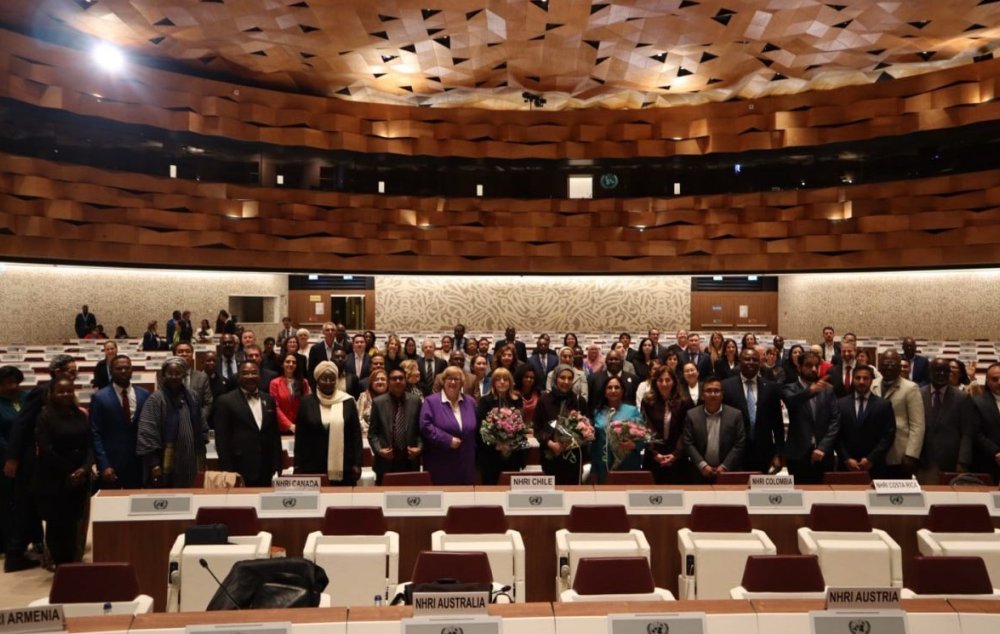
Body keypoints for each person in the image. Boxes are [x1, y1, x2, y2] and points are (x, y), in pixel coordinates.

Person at [4, 355, 77, 572]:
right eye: (70, 370)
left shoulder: (66, 393)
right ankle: (15, 554)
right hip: (33, 460)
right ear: (57, 372)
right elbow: (21, 424)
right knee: (27, 506)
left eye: (75, 371)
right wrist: (13, 457)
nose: (74, 374)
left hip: (53, 460)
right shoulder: (42, 391)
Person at [33, 377, 92, 568]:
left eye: (69, 391)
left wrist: (83, 469)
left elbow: (89, 445)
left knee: (74, 523)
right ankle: (59, 564)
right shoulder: (44, 416)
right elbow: (46, 449)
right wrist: (70, 471)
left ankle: (71, 564)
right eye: (61, 391)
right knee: (57, 524)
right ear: (52, 393)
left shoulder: (80, 414)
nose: (65, 394)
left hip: (79, 478)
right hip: (55, 478)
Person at [136, 357, 208, 488]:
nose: (174, 377)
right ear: (163, 376)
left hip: (191, 458)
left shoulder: (193, 396)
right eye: (170, 373)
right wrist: (154, 463)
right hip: (165, 460)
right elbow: (147, 432)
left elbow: (202, 424)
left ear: (184, 375)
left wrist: (201, 443)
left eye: (178, 373)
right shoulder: (156, 399)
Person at [294, 362, 362, 485]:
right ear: (317, 380)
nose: (328, 382)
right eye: (324, 379)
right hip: (312, 466)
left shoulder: (347, 401)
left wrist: (357, 463)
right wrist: (297, 465)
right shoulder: (306, 403)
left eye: (332, 379)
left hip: (344, 466)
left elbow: (356, 435)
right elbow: (300, 437)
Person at [89, 355, 149, 489]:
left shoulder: (144, 395)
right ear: (111, 371)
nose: (123, 371)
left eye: (127, 368)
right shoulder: (100, 397)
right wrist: (104, 464)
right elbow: (95, 433)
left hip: (138, 462)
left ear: (132, 370)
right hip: (111, 462)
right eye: (118, 368)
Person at [722, 348, 784, 474]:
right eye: (747, 359)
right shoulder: (726, 386)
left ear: (760, 362)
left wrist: (779, 453)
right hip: (733, 452)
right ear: (740, 361)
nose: (751, 362)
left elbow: (777, 424)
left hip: (763, 452)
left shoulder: (771, 388)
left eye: (755, 360)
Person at [781, 352, 840, 484]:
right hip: (797, 454)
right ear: (799, 367)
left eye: (816, 366)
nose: (813, 369)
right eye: (808, 365)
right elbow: (791, 401)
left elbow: (835, 421)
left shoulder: (828, 391)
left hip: (823, 454)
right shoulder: (789, 388)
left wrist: (822, 447)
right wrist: (811, 391)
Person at [0, 366, 34, 572]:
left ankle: (33, 541)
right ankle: (9, 546)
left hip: (30, 459)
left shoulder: (26, 397)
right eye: (6, 383)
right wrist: (13, 455)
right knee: (8, 503)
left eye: (14, 382)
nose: (11, 386)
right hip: (6, 461)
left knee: (29, 502)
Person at [419, 366, 478, 485]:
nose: (453, 382)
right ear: (443, 381)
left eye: (456, 379)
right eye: (449, 378)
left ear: (462, 383)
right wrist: (447, 440)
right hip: (440, 461)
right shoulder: (431, 401)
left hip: (466, 461)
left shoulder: (470, 401)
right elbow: (425, 426)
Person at [872, 349, 925, 479]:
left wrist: (911, 454)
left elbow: (917, 425)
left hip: (899, 454)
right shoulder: (873, 384)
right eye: (885, 364)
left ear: (900, 366)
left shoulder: (910, 388)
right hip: (874, 452)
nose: (889, 367)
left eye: (893, 364)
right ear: (879, 366)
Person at [836, 365, 896, 479]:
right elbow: (836, 435)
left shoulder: (884, 405)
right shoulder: (840, 404)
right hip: (846, 466)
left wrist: (871, 459)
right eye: (858, 378)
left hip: (875, 466)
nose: (861, 382)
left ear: (872, 380)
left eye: (865, 378)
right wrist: (846, 458)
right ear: (852, 379)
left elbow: (888, 436)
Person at [918, 358, 972, 483]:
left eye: (945, 371)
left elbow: (967, 432)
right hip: (923, 460)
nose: (941, 374)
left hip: (951, 461)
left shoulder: (962, 398)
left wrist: (963, 461)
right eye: (937, 370)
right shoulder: (918, 394)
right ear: (930, 372)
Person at [683, 377, 746, 483]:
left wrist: (725, 466)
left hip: (728, 472)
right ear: (702, 395)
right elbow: (688, 442)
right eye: (708, 391)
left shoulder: (735, 415)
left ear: (722, 395)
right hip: (699, 473)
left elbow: (739, 443)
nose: (712, 394)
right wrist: (702, 465)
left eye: (716, 391)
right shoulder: (692, 415)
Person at [534, 365, 589, 485]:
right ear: (555, 378)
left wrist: (571, 442)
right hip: (550, 455)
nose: (566, 382)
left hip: (573, 457)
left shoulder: (579, 401)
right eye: (562, 378)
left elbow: (587, 427)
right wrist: (550, 443)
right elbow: (537, 428)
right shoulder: (544, 400)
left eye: (570, 378)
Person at [368, 367, 423, 484]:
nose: (398, 381)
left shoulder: (416, 401)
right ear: (389, 382)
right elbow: (372, 433)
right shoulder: (378, 402)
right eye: (394, 378)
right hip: (386, 460)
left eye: (401, 378)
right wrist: (379, 450)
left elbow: (421, 430)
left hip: (410, 460)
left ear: (405, 381)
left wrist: (419, 447)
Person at [641, 365, 691, 484]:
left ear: (674, 382)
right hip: (653, 457)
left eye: (668, 380)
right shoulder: (647, 401)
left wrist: (676, 454)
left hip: (678, 457)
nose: (664, 384)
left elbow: (685, 430)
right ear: (655, 382)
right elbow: (646, 427)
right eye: (660, 380)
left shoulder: (684, 402)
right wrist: (654, 453)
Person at [591, 376, 644, 484]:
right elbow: (594, 444)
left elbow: (644, 436)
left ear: (622, 391)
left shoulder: (632, 411)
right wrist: (594, 470)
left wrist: (634, 445)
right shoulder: (598, 412)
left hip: (627, 463)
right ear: (605, 392)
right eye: (609, 387)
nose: (613, 390)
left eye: (617, 387)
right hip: (603, 465)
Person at [476, 368, 525, 485]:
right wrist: (497, 443)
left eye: (506, 379)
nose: (502, 382)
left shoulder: (517, 400)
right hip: (491, 454)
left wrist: (510, 443)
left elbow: (520, 426)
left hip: (512, 453)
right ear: (493, 382)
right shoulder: (485, 401)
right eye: (498, 379)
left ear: (510, 382)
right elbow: (480, 428)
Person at [969, 364, 1000, 482]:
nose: (999, 382)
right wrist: (996, 452)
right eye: (994, 379)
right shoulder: (978, 402)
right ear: (987, 381)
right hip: (988, 462)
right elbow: (976, 433)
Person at [270, 352, 311, 435]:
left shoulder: (303, 382)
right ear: (282, 364)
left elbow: (307, 406)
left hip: (300, 427)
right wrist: (290, 425)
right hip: (281, 428)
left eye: (294, 362)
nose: (291, 364)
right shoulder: (275, 383)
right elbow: (275, 407)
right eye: (288, 362)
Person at [173, 342, 213, 425]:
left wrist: (198, 418)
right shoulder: (167, 377)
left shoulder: (202, 377)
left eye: (188, 351)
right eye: (180, 351)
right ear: (174, 355)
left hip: (197, 423)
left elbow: (208, 403)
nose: (184, 354)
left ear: (192, 355)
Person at [307, 323, 341, 388]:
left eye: (332, 330)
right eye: (327, 330)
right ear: (323, 332)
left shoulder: (340, 348)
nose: (330, 332)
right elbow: (311, 370)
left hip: (336, 385)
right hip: (319, 385)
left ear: (335, 332)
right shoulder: (315, 349)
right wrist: (314, 386)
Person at [357, 369, 388, 435]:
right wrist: (371, 433)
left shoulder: (392, 397)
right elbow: (359, 419)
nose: (380, 381)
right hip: (366, 435)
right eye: (376, 379)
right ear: (371, 383)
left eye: (383, 379)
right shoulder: (364, 397)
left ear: (387, 382)